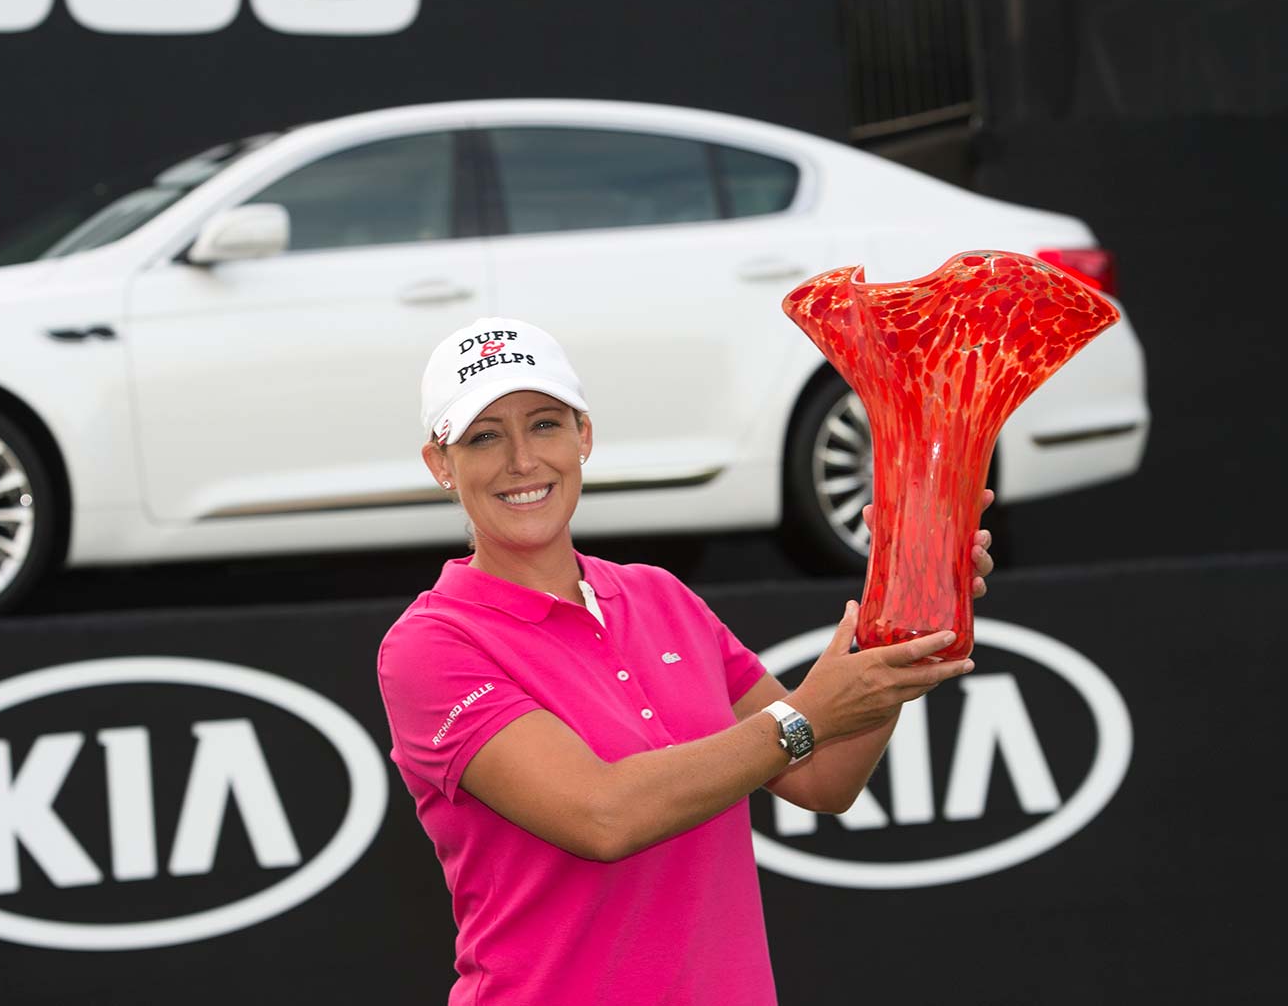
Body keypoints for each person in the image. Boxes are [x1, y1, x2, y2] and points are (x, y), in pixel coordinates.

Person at [375, 317, 995, 1005]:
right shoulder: (431, 644)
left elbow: (822, 777)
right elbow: (602, 816)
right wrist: (807, 711)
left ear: (584, 436)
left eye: (545, 424)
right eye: (484, 436)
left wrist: (900, 620)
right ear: (440, 464)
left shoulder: (659, 594)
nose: (522, 460)